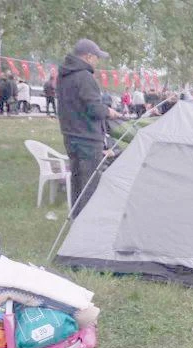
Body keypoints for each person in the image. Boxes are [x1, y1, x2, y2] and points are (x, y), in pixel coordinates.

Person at [57, 38, 121, 216]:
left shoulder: (64, 76)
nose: (97, 61)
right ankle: (87, 225)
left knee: (77, 182)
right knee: (90, 185)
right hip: (88, 139)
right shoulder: (84, 77)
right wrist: (108, 111)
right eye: (96, 57)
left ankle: (76, 218)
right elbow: (94, 109)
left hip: (70, 136)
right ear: (88, 56)